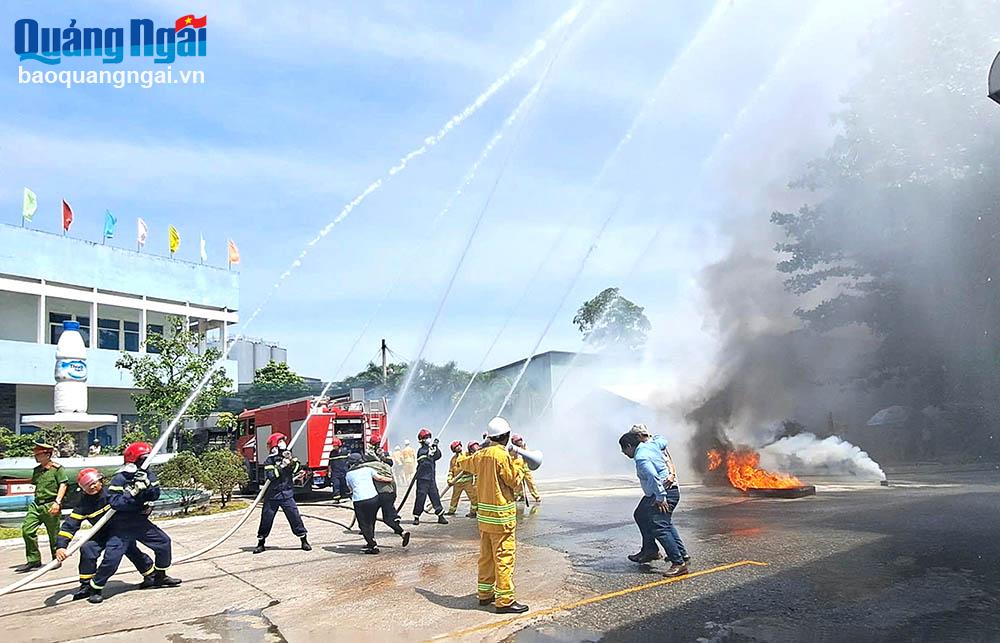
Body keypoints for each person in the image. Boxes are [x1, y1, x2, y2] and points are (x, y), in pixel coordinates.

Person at [90, 442, 181, 603]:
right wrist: (132, 492)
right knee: (112, 559)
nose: (146, 462)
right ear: (134, 460)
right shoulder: (120, 478)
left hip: (140, 522)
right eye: (143, 459)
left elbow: (154, 495)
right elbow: (115, 503)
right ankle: (96, 588)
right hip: (121, 524)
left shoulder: (148, 475)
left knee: (163, 543)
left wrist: (147, 487)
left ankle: (160, 576)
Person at [455, 416, 529, 614]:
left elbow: (463, 463)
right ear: (506, 437)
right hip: (502, 519)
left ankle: (485, 595)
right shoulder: (502, 456)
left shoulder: (480, 456)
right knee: (504, 557)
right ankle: (505, 601)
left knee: (486, 557)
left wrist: (463, 451)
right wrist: (518, 462)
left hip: (485, 518)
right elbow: (514, 481)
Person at [55, 468, 155, 601]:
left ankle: (150, 575)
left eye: (94, 483)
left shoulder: (112, 493)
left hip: (121, 530)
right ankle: (86, 586)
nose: (92, 486)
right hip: (101, 533)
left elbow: (131, 502)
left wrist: (142, 508)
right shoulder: (83, 505)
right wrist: (61, 546)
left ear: (101, 481)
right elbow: (69, 525)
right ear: (82, 489)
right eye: (87, 485)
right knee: (87, 549)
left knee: (130, 550)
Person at [619, 431, 689, 577]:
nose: (623, 453)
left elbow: (653, 476)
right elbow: (662, 440)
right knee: (640, 514)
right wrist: (651, 436)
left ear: (629, 446)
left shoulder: (641, 457)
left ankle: (678, 563)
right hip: (656, 492)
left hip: (664, 492)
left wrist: (661, 497)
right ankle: (650, 550)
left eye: (624, 449)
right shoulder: (650, 444)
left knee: (660, 525)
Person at [254, 433, 311, 554]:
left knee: (294, 517)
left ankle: (303, 540)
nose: (282, 444)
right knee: (266, 519)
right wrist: (281, 466)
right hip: (272, 496)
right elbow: (271, 476)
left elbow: (296, 470)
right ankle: (261, 542)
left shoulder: (289, 456)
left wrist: (291, 463)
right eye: (280, 441)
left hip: (286, 494)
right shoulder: (269, 461)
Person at [17, 441, 68, 573]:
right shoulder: (37, 470)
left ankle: (56, 559)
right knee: (27, 530)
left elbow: (63, 484)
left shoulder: (57, 469)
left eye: (38, 454)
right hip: (36, 504)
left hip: (51, 503)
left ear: (47, 454)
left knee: (54, 534)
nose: (35, 456)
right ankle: (34, 560)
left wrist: (57, 502)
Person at [346, 453, 394, 554]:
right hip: (373, 499)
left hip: (359, 501)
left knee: (363, 525)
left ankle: (373, 545)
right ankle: (371, 542)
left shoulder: (348, 474)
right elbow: (379, 478)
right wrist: (390, 480)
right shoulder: (368, 469)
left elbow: (350, 489)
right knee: (371, 522)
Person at [360, 454, 411, 547]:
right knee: (388, 518)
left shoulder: (367, 467)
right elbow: (392, 481)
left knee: (370, 519)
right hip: (390, 493)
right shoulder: (385, 466)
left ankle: (371, 542)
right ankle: (402, 532)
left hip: (377, 495)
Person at [412, 428, 447, 525]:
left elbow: (438, 456)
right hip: (422, 479)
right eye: (426, 437)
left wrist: (436, 448)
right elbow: (422, 462)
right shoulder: (421, 450)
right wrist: (428, 455)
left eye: (429, 437)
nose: (428, 439)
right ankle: (416, 516)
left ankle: (440, 516)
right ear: (422, 440)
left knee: (435, 496)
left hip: (431, 478)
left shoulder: (430, 449)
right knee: (421, 497)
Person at [446, 441, 477, 517]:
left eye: (459, 445)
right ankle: (451, 511)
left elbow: (473, 462)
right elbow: (451, 471)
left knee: (473, 497)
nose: (459, 447)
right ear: (453, 449)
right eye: (456, 446)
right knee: (454, 498)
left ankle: (473, 512)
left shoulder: (467, 454)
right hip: (457, 483)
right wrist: (449, 480)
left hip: (468, 482)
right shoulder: (453, 460)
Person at [510, 434, 541, 504]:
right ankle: (520, 496)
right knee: (518, 484)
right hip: (518, 469)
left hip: (525, 468)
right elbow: (511, 457)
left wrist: (523, 448)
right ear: (514, 442)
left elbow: (529, 455)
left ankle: (536, 496)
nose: (520, 442)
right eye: (518, 441)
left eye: (520, 440)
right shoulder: (513, 449)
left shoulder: (524, 447)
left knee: (530, 483)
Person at [328, 437, 350, 502]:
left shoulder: (345, 451)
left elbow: (349, 461)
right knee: (336, 485)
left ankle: (349, 496)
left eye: (335, 446)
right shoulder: (332, 453)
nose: (334, 447)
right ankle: (336, 499)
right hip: (335, 472)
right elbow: (330, 463)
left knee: (345, 485)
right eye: (333, 446)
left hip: (344, 471)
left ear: (339, 445)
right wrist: (329, 471)